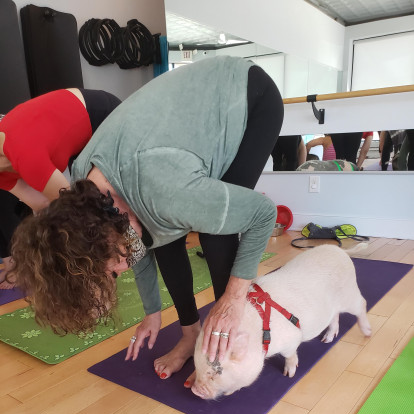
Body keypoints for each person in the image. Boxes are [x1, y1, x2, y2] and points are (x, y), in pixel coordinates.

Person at [10, 56, 283, 386]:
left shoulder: (166, 191)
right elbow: (136, 246)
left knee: (215, 234)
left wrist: (234, 297)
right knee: (157, 234)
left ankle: (222, 344)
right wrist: (153, 313)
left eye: (111, 270)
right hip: (178, 135)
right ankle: (191, 334)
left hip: (249, 97)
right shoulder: (85, 189)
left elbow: (262, 214)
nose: (118, 272)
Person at [0, 88, 121, 287]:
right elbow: (41, 205)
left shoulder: (26, 155)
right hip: (75, 136)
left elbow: (77, 211)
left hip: (102, 113)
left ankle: (105, 274)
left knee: (89, 209)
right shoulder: (4, 171)